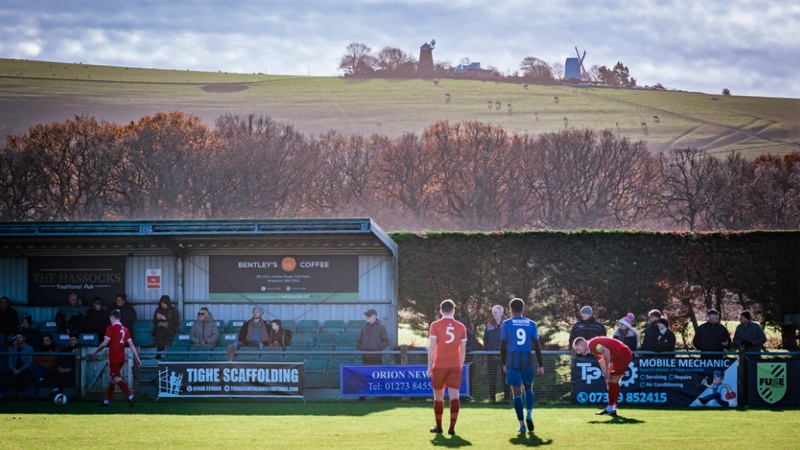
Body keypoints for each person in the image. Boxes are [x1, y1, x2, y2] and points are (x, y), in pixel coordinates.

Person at [501, 298, 544, 433]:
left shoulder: (506, 324)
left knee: (516, 393)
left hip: (513, 361)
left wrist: (503, 363)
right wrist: (540, 365)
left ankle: (521, 425)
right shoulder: (531, 324)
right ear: (523, 309)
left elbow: (502, 346)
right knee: (529, 388)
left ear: (511, 309)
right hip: (527, 361)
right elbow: (536, 345)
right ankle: (529, 414)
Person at [427, 299, 467, 435]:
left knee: (438, 396)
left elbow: (432, 347)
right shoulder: (461, 327)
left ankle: (439, 427)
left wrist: (429, 366)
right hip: (455, 364)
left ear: (440, 311)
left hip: (439, 364)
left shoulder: (435, 325)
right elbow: (462, 350)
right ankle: (452, 428)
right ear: (454, 311)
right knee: (454, 396)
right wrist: (460, 365)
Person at [89, 309, 141, 407]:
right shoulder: (125, 329)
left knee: (116, 378)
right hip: (122, 357)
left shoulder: (110, 328)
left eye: (110, 319)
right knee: (112, 379)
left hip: (114, 358)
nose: (110, 321)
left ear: (112, 318)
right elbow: (131, 345)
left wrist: (95, 351)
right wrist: (137, 358)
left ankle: (131, 396)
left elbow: (105, 343)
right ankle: (106, 402)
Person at [573, 336, 633, 416]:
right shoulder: (593, 348)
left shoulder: (592, 344)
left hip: (622, 354)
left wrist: (607, 368)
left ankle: (610, 408)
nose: (578, 352)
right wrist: (605, 372)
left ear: (582, 343)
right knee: (614, 382)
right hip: (622, 354)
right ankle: (612, 408)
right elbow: (601, 360)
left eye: (577, 349)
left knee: (612, 381)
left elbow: (606, 351)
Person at [483, 304, 510, 403]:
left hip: (505, 357)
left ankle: (507, 398)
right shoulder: (489, 324)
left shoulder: (508, 324)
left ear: (501, 313)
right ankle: (492, 398)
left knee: (506, 377)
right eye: (493, 312)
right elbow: (485, 339)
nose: (493, 314)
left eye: (495, 312)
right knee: (492, 378)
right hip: (491, 356)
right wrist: (487, 350)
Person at [33, 332, 59, 396]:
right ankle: (36, 396)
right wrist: (46, 360)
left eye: (47, 340)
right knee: (36, 369)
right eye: (44, 340)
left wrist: (42, 358)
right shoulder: (39, 348)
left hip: (50, 368)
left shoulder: (55, 348)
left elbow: (53, 359)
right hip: (41, 368)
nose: (45, 342)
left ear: (51, 341)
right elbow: (36, 359)